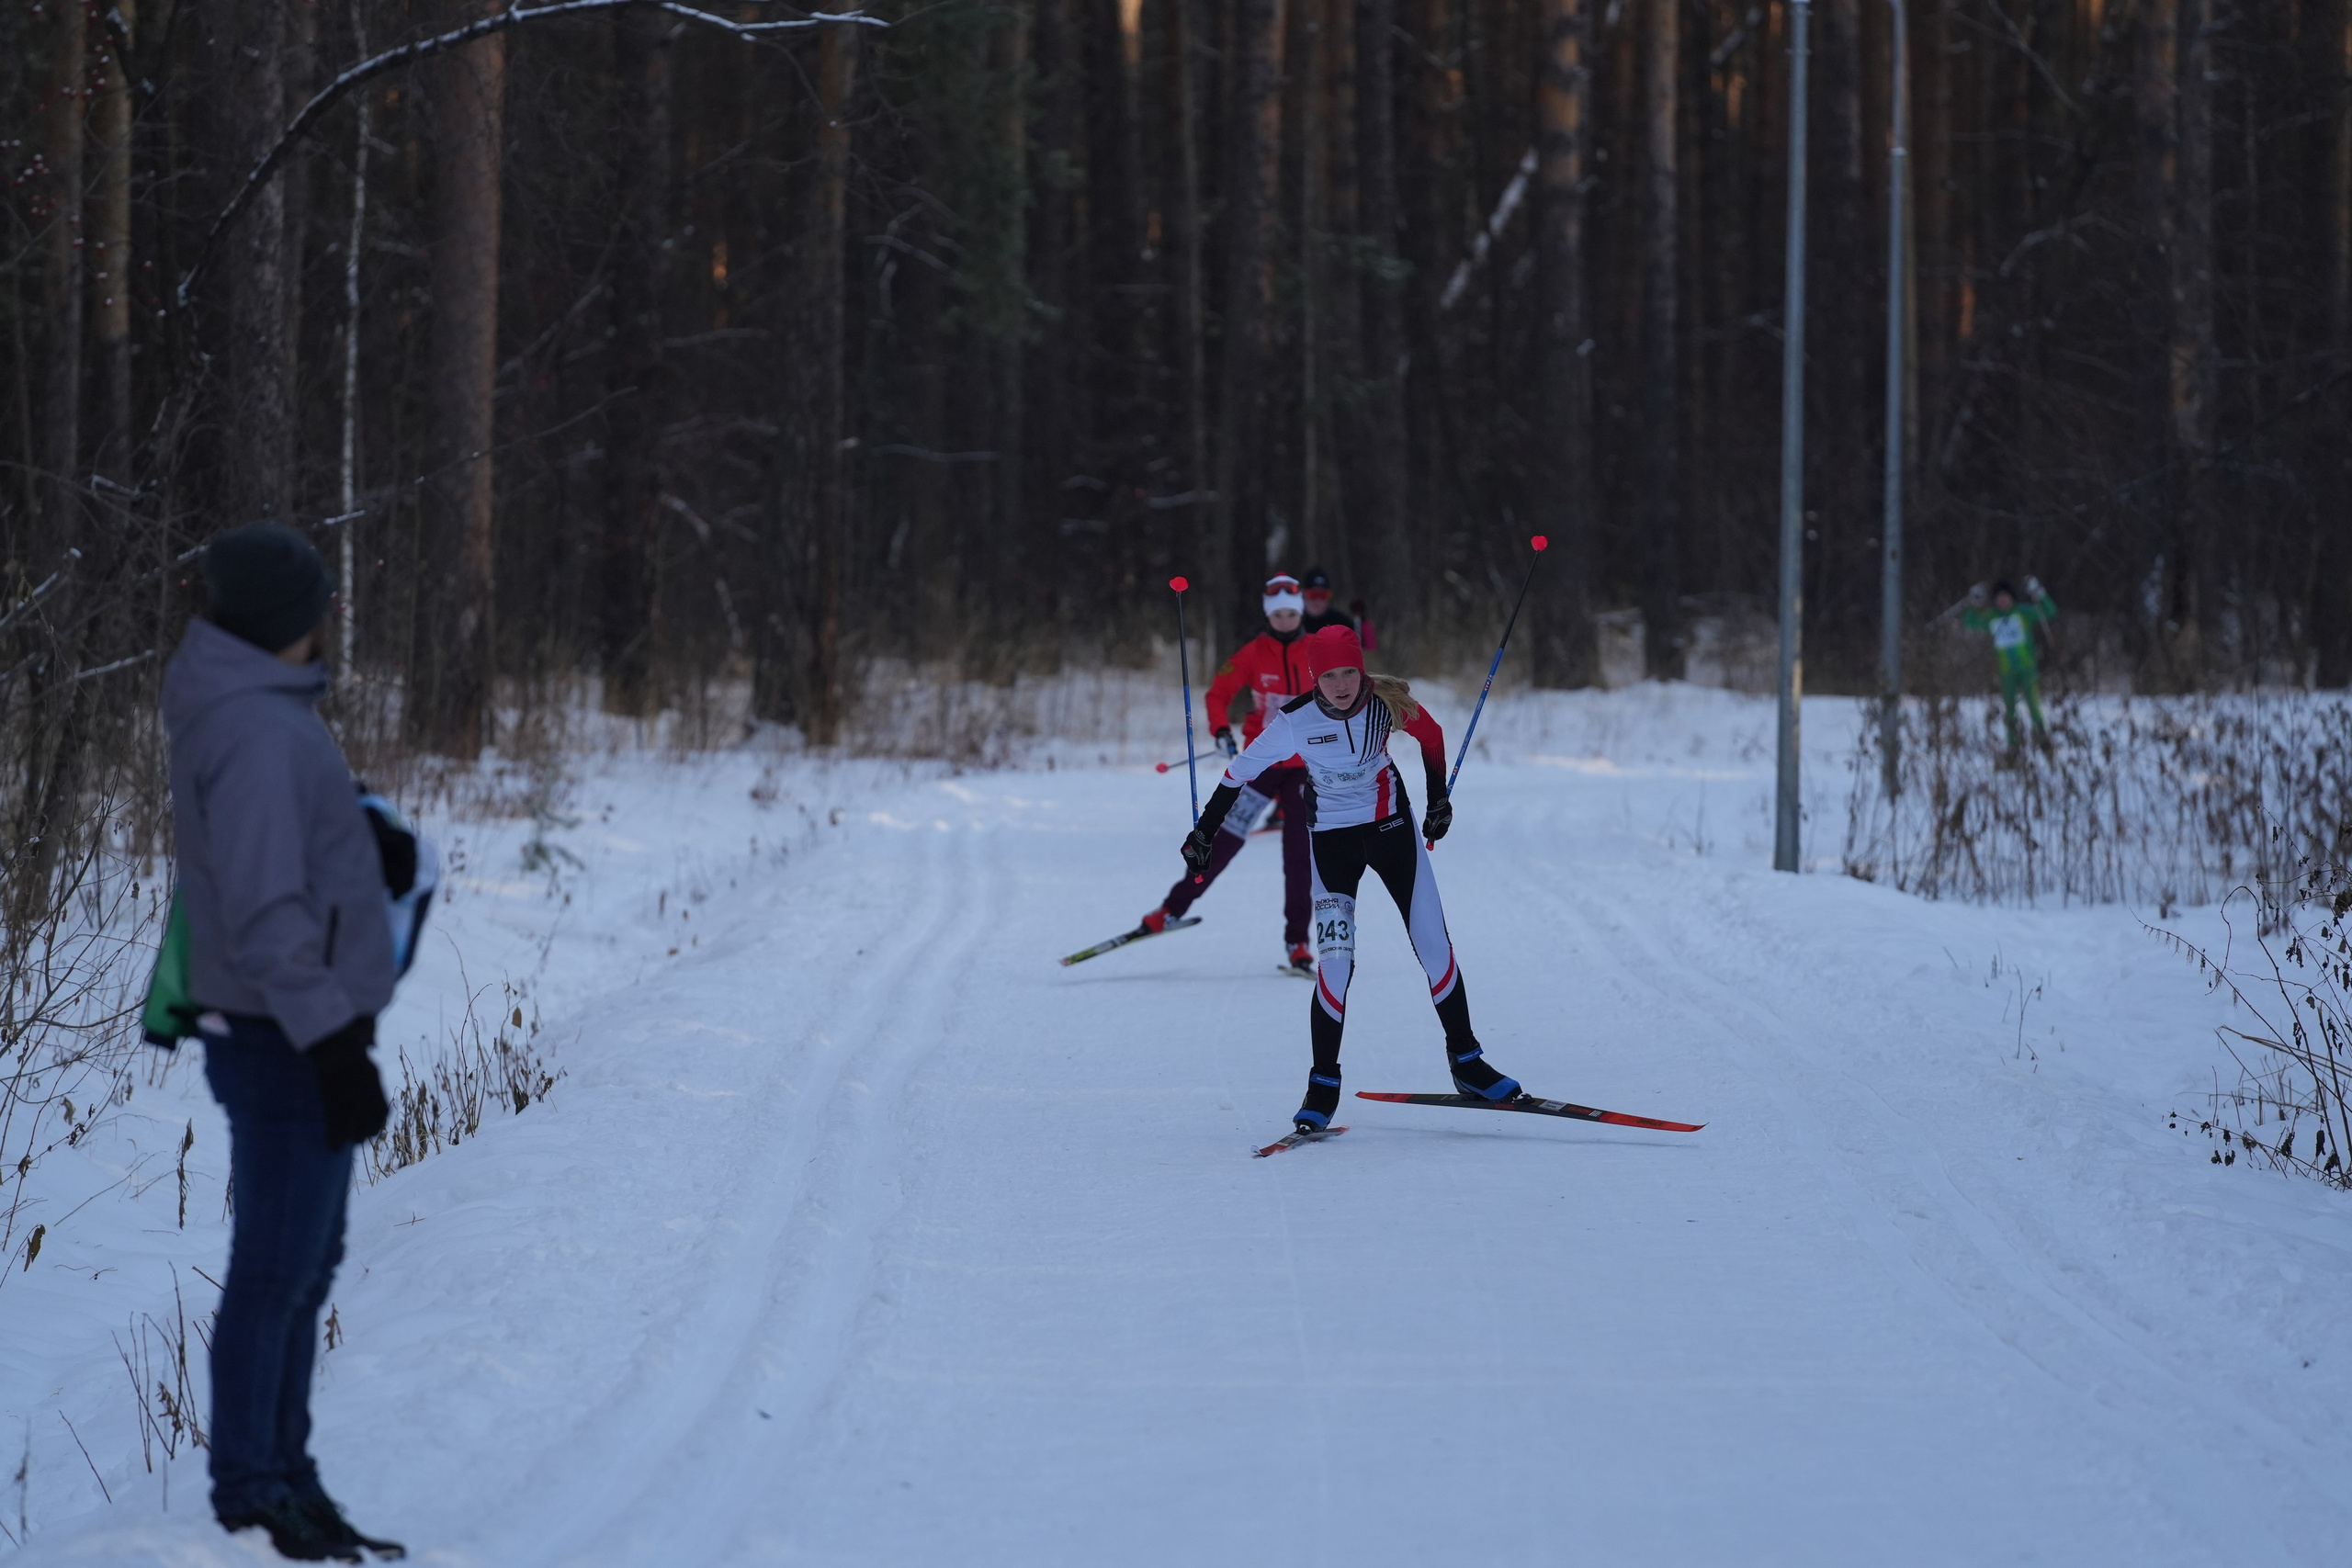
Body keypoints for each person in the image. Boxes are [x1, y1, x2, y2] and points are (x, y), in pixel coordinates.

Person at [161, 523, 408, 1562]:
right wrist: (334, 1049)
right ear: (288, 621)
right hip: (282, 1037)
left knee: (306, 1262)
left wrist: (359, 834)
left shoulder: (258, 710)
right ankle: (252, 1490)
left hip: (292, 1029)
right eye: (321, 601)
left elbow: (276, 849)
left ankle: (287, 1477)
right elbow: (264, 914)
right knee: (277, 1267)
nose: (330, 616)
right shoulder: (259, 728)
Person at [1182, 625, 1522, 1134]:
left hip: (1392, 832)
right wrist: (1204, 831)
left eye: (1349, 672)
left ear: (1360, 671)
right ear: (1314, 676)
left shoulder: (1385, 704)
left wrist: (1438, 801)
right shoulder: (1292, 722)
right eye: (1329, 676)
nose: (1341, 685)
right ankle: (1323, 1083)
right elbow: (1239, 772)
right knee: (1336, 965)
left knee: (1433, 945)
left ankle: (1467, 1062)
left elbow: (1431, 736)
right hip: (1333, 843)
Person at [1141, 574, 1317, 974]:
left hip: (1306, 768)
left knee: (1299, 857)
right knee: (1222, 843)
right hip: (1260, 763)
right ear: (1268, 615)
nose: (1286, 621)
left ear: (1301, 612)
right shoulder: (1253, 653)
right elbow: (1217, 693)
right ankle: (1172, 908)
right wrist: (1221, 730)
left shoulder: (1315, 650)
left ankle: (1298, 942)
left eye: (1292, 613)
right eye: (1279, 614)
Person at [1962, 576, 2057, 753]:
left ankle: (2043, 740)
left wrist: (2039, 593)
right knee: (2010, 709)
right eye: (1999, 597)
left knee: (2034, 706)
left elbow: (2050, 611)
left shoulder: (2023, 612)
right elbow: (1970, 622)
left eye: (2006, 597)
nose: (2003, 600)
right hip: (2006, 672)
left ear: (2012, 598)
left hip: (2027, 669)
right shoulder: (1991, 617)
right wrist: (1973, 602)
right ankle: (2013, 745)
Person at [1299, 568, 1356, 635]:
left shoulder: (1343, 624)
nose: (1318, 600)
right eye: (1313, 595)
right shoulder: (1293, 623)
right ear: (1303, 593)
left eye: (1323, 595)